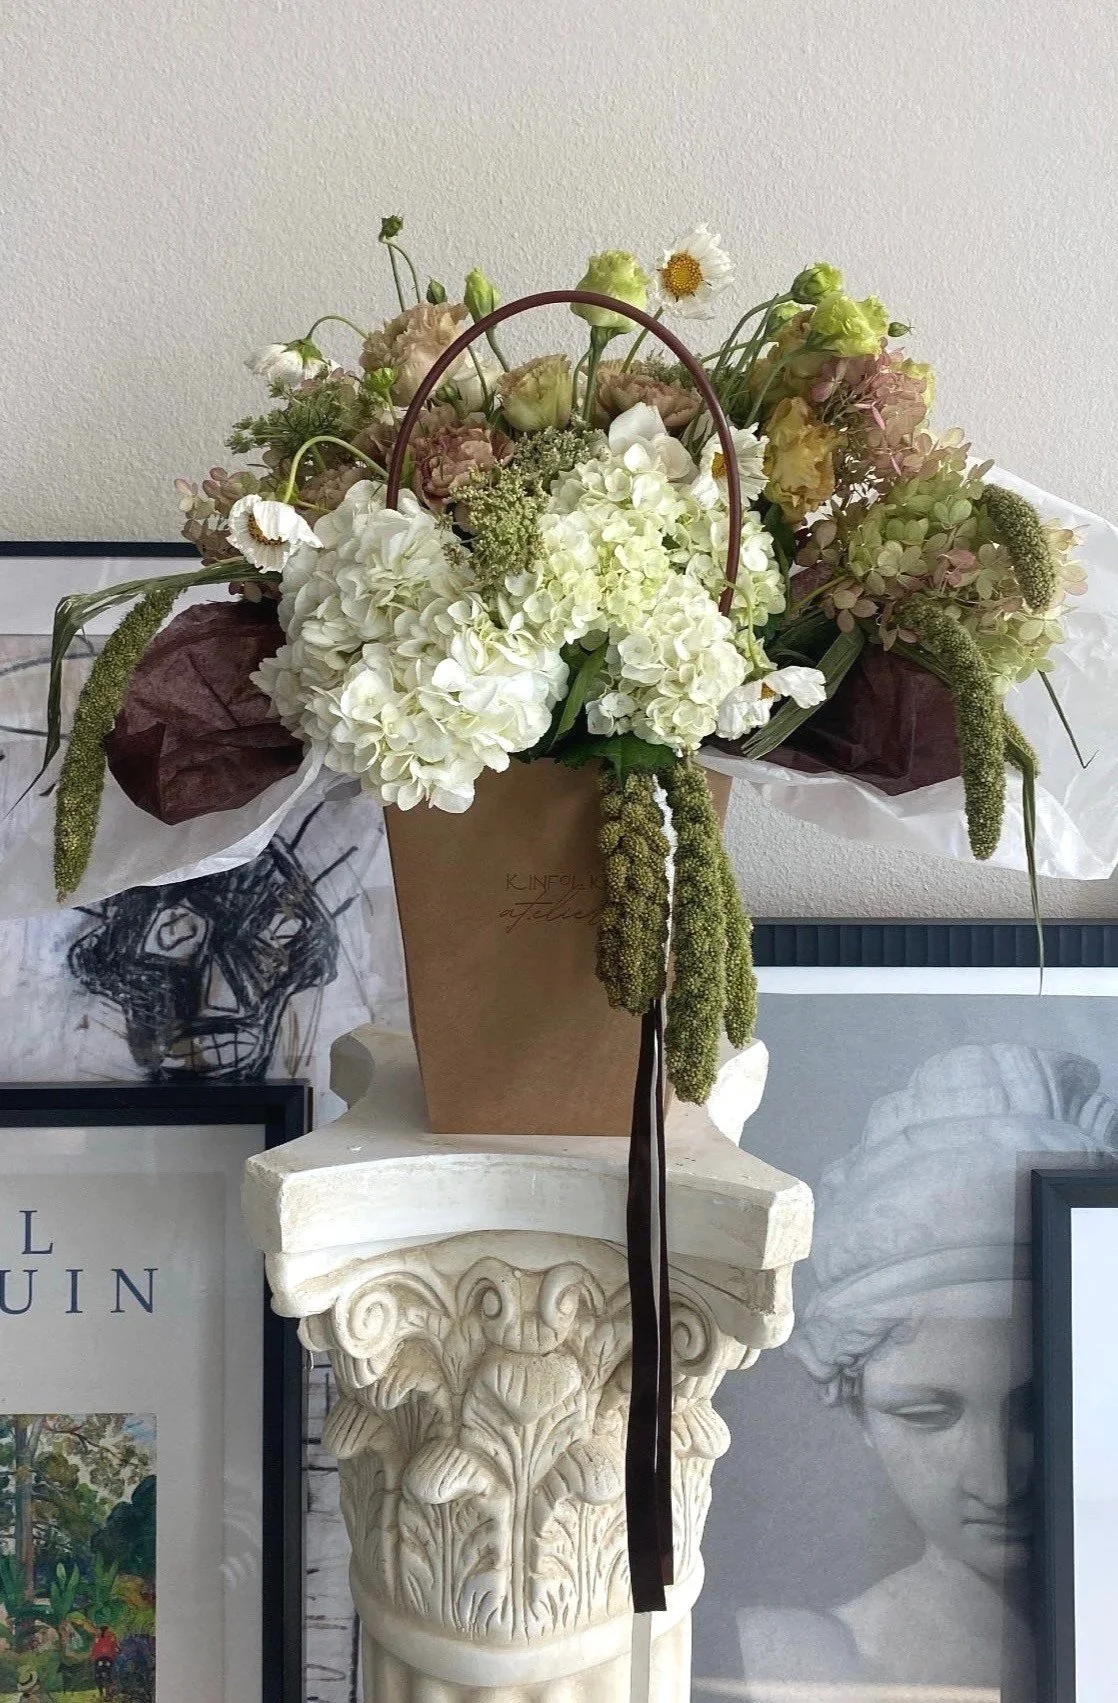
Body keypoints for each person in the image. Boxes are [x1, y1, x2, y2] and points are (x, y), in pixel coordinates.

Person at [736, 1042, 1118, 1703]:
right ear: (854, 1403)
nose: (995, 1480)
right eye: (927, 1414)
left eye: (1035, 1409)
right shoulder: (806, 1661)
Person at [90, 1625, 120, 1698]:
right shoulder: (112, 1635)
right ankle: (108, 1692)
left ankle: (101, 1693)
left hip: (98, 1658)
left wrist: (92, 1656)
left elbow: (95, 1647)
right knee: (110, 1674)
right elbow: (115, 1646)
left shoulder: (97, 1636)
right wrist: (118, 1651)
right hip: (109, 1657)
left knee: (98, 1675)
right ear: (107, 1629)